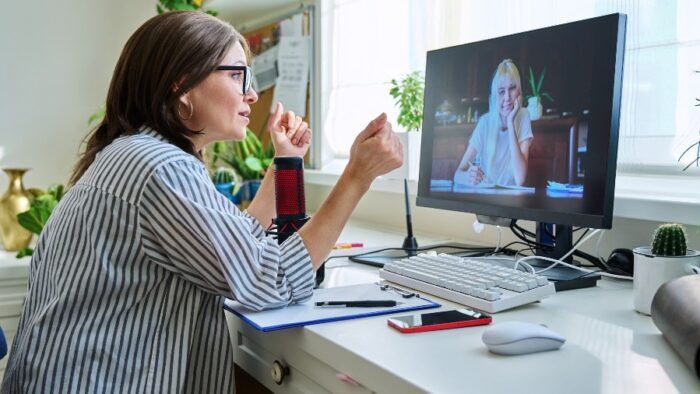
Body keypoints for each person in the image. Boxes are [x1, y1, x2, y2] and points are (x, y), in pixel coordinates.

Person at [1, 11, 402, 393]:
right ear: (181, 85)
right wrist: (357, 177)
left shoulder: (135, 153)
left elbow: (241, 239)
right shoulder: (158, 167)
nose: (252, 93)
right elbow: (270, 278)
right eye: (237, 75)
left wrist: (286, 165)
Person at [453, 59, 533, 187]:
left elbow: (520, 179)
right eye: (501, 91)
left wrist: (510, 121)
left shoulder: (523, 115)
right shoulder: (485, 122)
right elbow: (457, 175)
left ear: (519, 92)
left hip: (512, 201)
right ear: (494, 96)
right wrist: (467, 177)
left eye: (512, 88)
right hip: (486, 196)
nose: (507, 98)